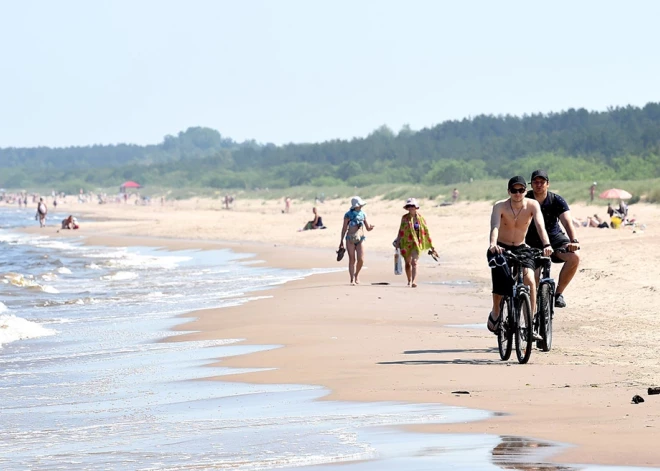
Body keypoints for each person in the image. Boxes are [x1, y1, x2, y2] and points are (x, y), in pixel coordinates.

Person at [487, 176, 553, 333]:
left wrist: (547, 244)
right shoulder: (500, 206)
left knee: (530, 279)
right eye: (514, 190)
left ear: (525, 191)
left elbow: (540, 225)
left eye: (521, 190)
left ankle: (530, 322)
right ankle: (496, 311)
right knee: (500, 286)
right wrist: (493, 244)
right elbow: (495, 226)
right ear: (509, 191)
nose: (518, 194)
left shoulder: (532, 205)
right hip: (501, 248)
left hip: (522, 247)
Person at [525, 170, 580, 308]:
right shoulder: (525, 199)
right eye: (535, 182)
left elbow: (567, 222)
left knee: (574, 257)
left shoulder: (556, 200)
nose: (539, 185)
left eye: (542, 182)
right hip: (532, 241)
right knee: (534, 276)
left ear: (547, 184)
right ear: (531, 184)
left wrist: (573, 240)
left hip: (555, 239)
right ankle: (533, 307)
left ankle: (558, 294)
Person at [395, 198, 436, 288]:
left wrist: (431, 245)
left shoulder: (421, 219)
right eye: (409, 206)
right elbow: (400, 230)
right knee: (407, 263)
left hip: (416, 244)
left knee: (414, 262)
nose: (411, 208)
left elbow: (426, 231)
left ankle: (414, 281)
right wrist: (397, 241)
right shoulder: (404, 218)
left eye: (412, 206)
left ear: (416, 207)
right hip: (405, 243)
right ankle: (409, 280)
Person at [338, 197, 375, 285]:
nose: (361, 206)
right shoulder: (348, 215)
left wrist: (371, 227)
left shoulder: (363, 214)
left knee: (361, 259)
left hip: (360, 239)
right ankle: (352, 279)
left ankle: (356, 275)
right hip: (350, 238)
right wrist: (341, 241)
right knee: (352, 259)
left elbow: (367, 228)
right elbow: (344, 228)